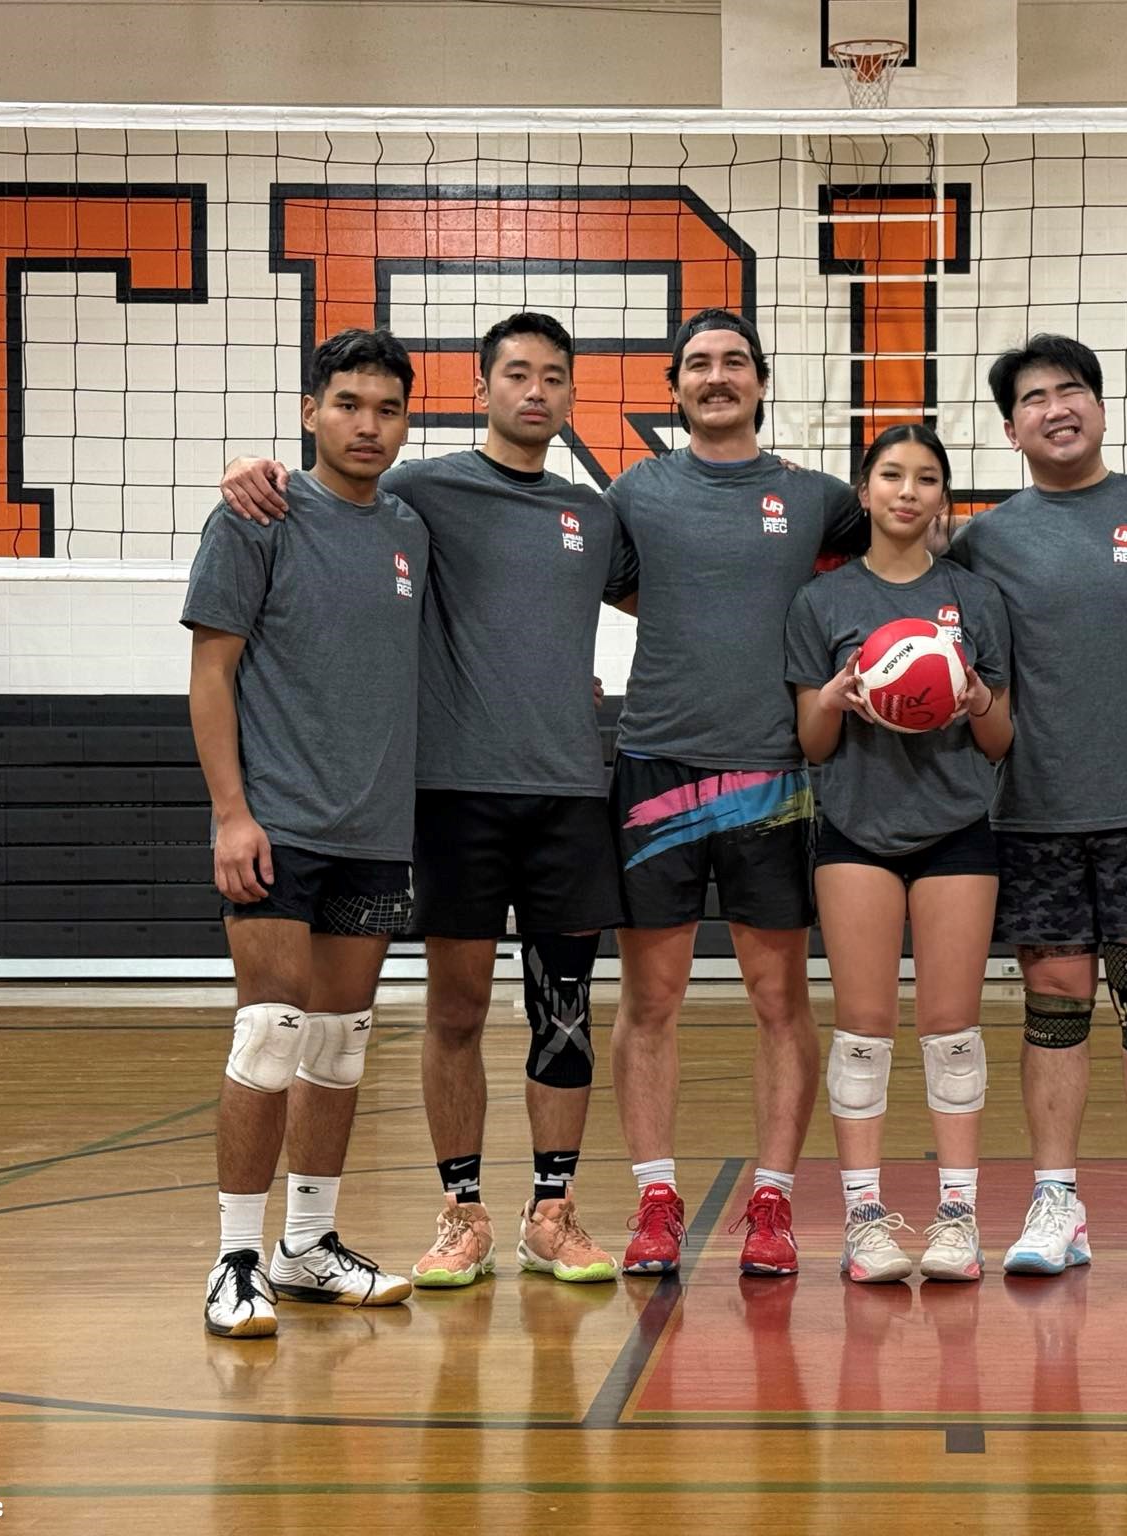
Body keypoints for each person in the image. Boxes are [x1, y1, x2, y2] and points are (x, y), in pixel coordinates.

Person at [214, 312, 637, 1289]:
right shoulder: (417, 490)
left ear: (571, 396)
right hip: (450, 794)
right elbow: (330, 498)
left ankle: (552, 1213)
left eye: (554, 378)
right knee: (452, 1007)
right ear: (481, 389)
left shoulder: (597, 515)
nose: (536, 392)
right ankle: (459, 1213)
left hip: (570, 791)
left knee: (562, 1011)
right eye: (516, 375)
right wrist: (253, 469)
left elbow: (675, 601)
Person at [949, 334, 1127, 1282]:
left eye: (1073, 392)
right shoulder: (984, 539)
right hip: (1034, 810)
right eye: (1035, 399)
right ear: (1011, 427)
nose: (1057, 408)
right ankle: (1056, 1201)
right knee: (1054, 1006)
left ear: (1101, 409)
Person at [605, 307, 870, 1277]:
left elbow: (890, 563)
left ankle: (772, 1200)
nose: (716, 377)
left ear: (759, 382)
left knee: (776, 996)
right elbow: (624, 586)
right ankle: (654, 1199)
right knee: (652, 998)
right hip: (656, 770)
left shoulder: (815, 500)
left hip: (768, 775)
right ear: (675, 387)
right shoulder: (633, 492)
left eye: (732, 363)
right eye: (698, 365)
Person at [186, 328, 423, 1338]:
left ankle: (308, 1248)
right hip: (278, 825)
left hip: (375, 826)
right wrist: (231, 815)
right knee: (269, 1033)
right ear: (308, 412)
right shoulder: (256, 518)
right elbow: (211, 673)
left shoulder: (411, 527)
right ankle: (233, 1258)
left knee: (338, 1045)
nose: (366, 424)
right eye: (348, 404)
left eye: (386, 408)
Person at [786, 424, 1014, 1283]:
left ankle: (958, 1219)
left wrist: (976, 694)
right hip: (855, 831)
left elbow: (1000, 740)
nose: (907, 492)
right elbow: (811, 742)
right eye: (891, 476)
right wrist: (841, 697)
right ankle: (864, 1222)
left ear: (942, 499)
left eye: (925, 479)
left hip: (957, 827)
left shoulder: (976, 598)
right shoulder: (824, 603)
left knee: (952, 1034)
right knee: (864, 1034)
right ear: (866, 491)